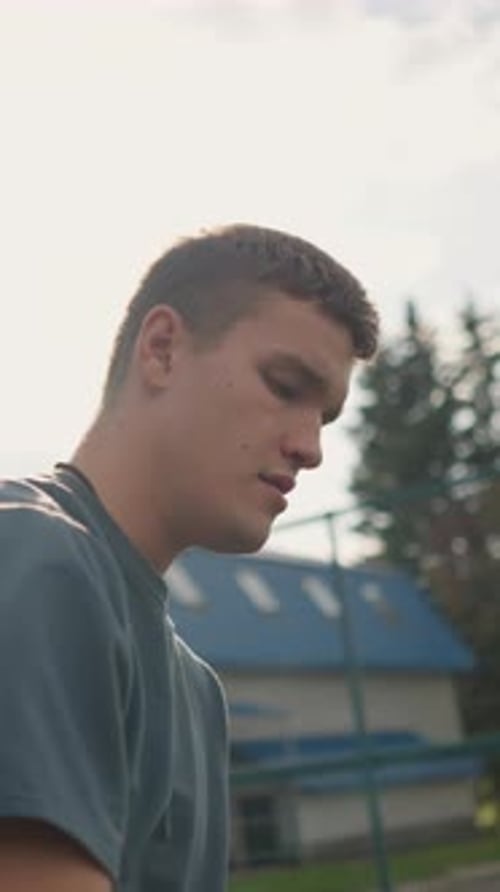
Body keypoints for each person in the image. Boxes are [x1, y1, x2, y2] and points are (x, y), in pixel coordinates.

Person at [0, 224, 378, 891]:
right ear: (164, 349)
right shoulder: (29, 550)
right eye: (286, 385)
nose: (311, 447)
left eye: (326, 417)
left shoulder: (197, 694)